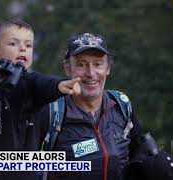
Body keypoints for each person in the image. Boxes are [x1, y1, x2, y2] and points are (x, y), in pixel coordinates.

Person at [0, 19, 80, 180]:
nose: (22, 48)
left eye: (28, 45)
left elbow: (44, 83)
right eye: (13, 44)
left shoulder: (31, 83)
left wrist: (59, 85)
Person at [37, 32, 142, 180]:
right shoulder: (51, 112)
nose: (91, 73)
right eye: (81, 65)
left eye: (98, 64)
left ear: (108, 68)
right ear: (68, 69)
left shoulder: (121, 105)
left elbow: (142, 156)